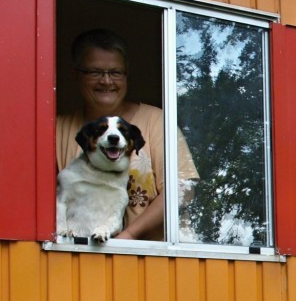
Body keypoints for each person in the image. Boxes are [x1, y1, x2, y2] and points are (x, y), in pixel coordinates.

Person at [56, 28, 197, 241]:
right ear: (76, 75)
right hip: (75, 260)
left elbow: (183, 191)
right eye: (95, 72)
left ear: (126, 75)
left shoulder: (158, 122)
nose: (106, 81)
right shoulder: (57, 128)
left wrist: (129, 235)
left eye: (115, 72)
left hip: (152, 259)